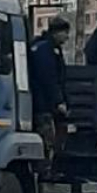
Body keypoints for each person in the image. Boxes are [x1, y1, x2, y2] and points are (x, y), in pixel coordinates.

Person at [28, 16, 70, 156]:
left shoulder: (40, 46)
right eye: (65, 32)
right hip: (43, 104)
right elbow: (49, 78)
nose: (67, 37)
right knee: (47, 139)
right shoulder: (47, 50)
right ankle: (45, 170)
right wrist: (59, 101)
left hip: (38, 102)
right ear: (56, 32)